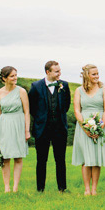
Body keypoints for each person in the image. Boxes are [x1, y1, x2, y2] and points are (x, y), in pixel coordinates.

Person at [72, 64, 105, 195]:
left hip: (100, 124)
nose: (97, 76)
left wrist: (100, 126)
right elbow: (77, 110)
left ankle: (94, 189)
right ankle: (86, 189)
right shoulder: (79, 91)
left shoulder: (103, 89)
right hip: (83, 126)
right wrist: (85, 127)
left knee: (96, 158)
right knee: (86, 158)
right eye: (94, 74)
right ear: (87, 76)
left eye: (97, 73)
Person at [28, 61, 71, 192]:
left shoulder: (64, 85)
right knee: (41, 160)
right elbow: (32, 107)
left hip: (60, 129)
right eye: (56, 71)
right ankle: (40, 189)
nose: (59, 73)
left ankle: (62, 188)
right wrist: (41, 119)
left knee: (60, 160)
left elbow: (66, 105)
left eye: (60, 70)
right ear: (48, 72)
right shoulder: (36, 86)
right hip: (42, 129)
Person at [0, 66, 30, 193]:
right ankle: (6, 187)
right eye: (12, 76)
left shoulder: (21, 91)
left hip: (18, 124)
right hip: (4, 125)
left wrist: (26, 130)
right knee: (5, 157)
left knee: (18, 157)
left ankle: (15, 187)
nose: (15, 78)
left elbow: (27, 112)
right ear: (4, 78)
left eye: (16, 75)